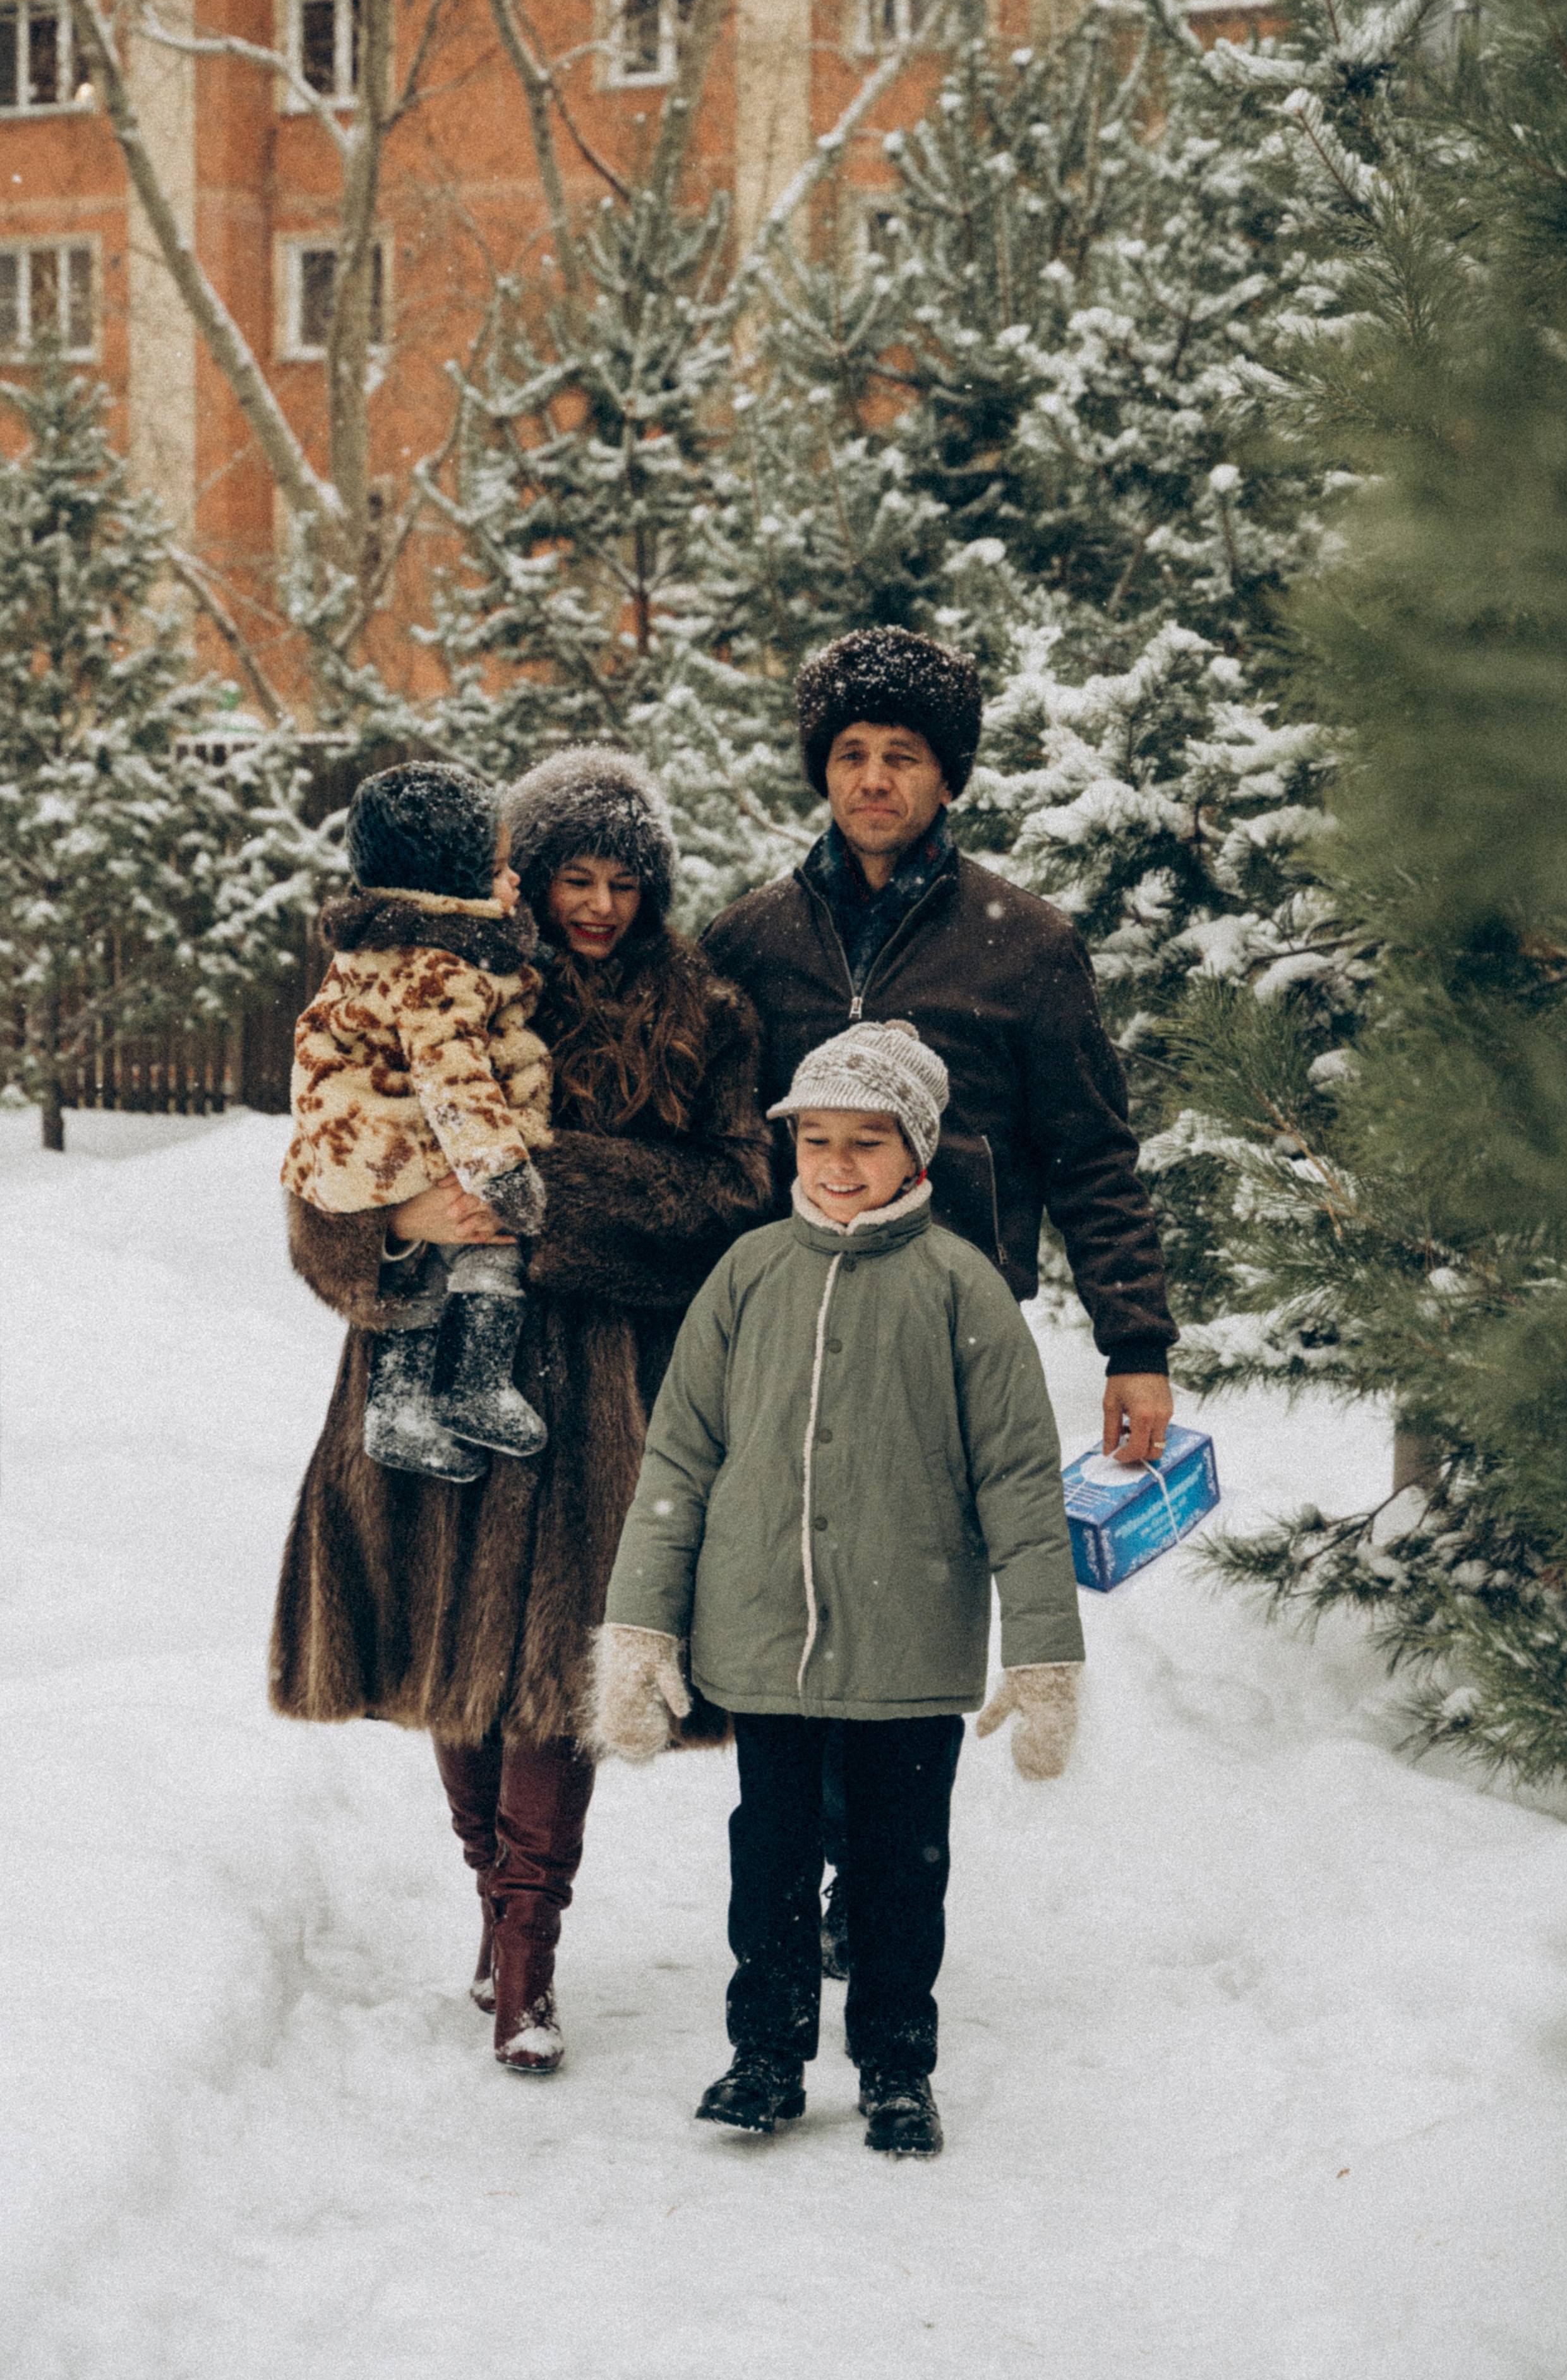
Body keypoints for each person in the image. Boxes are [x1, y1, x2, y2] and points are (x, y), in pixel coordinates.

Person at [272, 747, 772, 2077]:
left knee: (559, 1674)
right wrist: (405, 1224)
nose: (599, 906)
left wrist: (547, 1193)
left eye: (625, 882)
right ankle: (492, 1900)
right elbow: (320, 1177)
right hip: (428, 1361)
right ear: (525, 876)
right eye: (574, 877)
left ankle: (528, 1954)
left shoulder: (703, 1012)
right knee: (445, 1664)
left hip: (605, 1383)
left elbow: (735, 1194)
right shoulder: (434, 973)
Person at [700, 625, 1178, 1964]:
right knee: (793, 1594)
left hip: (946, 1340)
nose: (873, 779)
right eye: (850, 754)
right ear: (821, 770)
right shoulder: (750, 942)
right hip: (785, 1332)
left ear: (948, 777)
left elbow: (1090, 1156)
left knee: (909, 1609)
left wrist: (1135, 1343)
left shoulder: (1022, 947)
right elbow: (709, 1142)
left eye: (902, 756)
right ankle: (819, 1858)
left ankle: (879, 1878)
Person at [589, 1019, 1085, 2159]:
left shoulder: (963, 1288)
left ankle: (898, 2068)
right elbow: (678, 1461)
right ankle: (765, 2056)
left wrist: (1043, 1654)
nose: (838, 1163)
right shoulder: (749, 1273)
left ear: (917, 1150)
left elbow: (1019, 1481)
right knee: (769, 1858)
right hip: (763, 1637)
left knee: (900, 1871)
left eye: (868, 1139)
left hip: (911, 1644)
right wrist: (641, 1626)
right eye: (816, 1138)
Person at [282, 762, 553, 1482]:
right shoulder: (440, 966)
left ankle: (398, 1407)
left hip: (354, 1149)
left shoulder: (370, 951)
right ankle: (474, 1383)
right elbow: (453, 1075)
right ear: (447, 888)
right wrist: (502, 1171)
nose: (515, 881)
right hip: (404, 1140)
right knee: (490, 1240)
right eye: (496, 870)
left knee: (422, 1273)